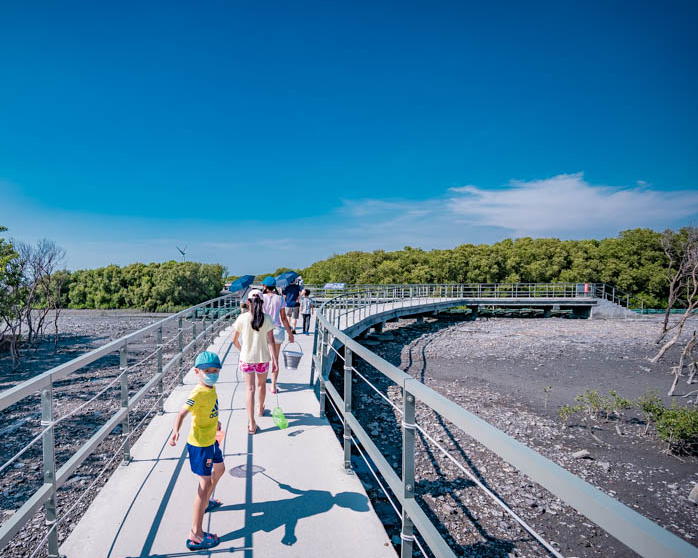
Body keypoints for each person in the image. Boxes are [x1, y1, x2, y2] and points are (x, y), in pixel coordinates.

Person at [169, 351, 225, 550]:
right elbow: (182, 413)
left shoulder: (211, 388)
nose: (212, 373)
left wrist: (215, 421)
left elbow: (208, 409)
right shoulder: (197, 393)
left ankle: (206, 501)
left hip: (211, 440)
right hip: (200, 445)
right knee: (204, 483)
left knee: (220, 470)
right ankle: (196, 534)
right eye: (207, 371)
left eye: (215, 370)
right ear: (197, 372)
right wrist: (176, 431)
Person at [232, 290, 277, 434]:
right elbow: (271, 341)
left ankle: (251, 424)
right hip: (262, 358)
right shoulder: (268, 319)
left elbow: (234, 340)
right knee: (261, 385)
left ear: (248, 302)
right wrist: (275, 360)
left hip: (247, 358)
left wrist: (243, 350)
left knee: (249, 389)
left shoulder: (242, 318)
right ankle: (260, 408)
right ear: (262, 302)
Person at [261, 276, 294, 394]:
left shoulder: (261, 298)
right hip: (277, 331)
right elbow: (284, 318)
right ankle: (273, 386)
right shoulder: (280, 299)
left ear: (264, 286)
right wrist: (290, 333)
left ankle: (262, 381)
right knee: (275, 359)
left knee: (263, 358)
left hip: (264, 331)